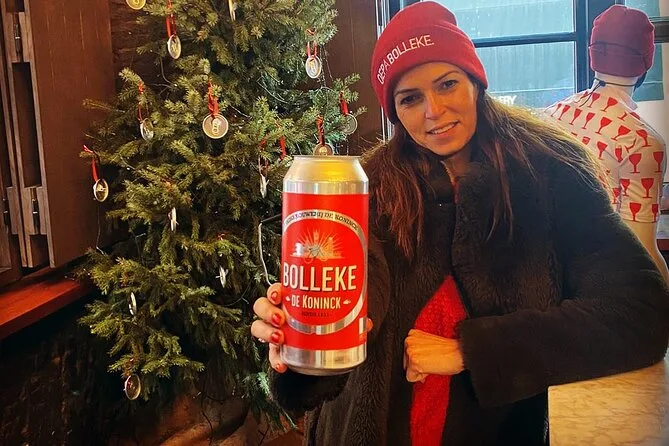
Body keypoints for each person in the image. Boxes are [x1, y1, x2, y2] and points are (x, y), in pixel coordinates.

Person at [251, 2, 669, 445]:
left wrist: (472, 351)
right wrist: (297, 343)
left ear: (475, 81)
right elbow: (345, 327)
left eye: (447, 83)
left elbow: (641, 313)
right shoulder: (370, 188)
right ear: (395, 111)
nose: (433, 110)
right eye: (410, 98)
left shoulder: (551, 172)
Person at [543, 4, 669, 284]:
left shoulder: (552, 113)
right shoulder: (642, 142)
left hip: (545, 274)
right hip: (598, 284)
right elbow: (642, 255)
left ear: (593, 56)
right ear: (647, 61)